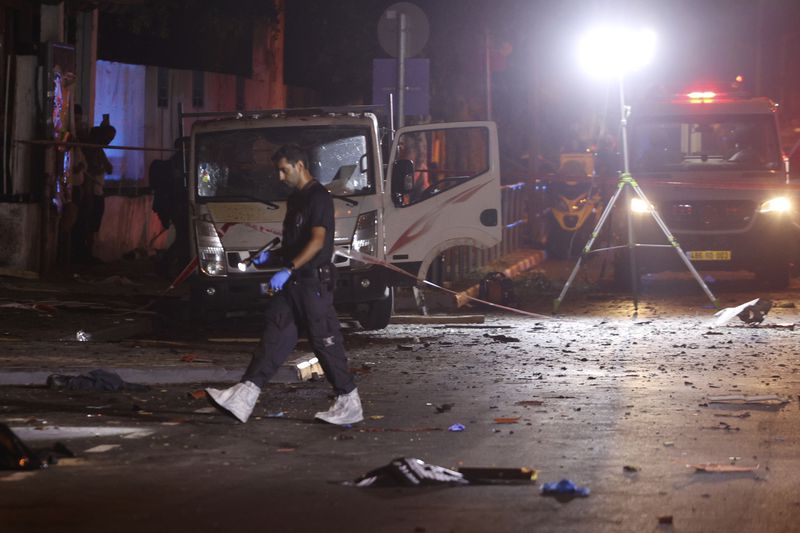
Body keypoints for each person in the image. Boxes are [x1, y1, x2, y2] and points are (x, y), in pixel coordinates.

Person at [206, 144, 363, 425]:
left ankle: (349, 400)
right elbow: (296, 244)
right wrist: (273, 258)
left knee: (324, 340)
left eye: (283, 170)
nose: (280, 176)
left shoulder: (319, 198)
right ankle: (245, 395)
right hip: (294, 282)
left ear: (299, 166)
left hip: (313, 283)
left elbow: (317, 241)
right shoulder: (296, 200)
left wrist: (288, 268)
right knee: (275, 335)